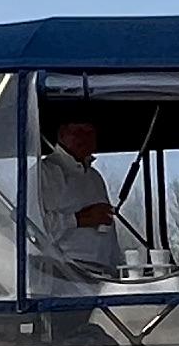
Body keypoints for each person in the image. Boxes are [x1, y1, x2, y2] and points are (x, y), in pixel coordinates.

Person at [35, 112, 123, 282]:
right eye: (78, 132)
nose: (85, 138)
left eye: (89, 133)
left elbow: (108, 232)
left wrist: (118, 269)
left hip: (101, 275)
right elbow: (31, 229)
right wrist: (79, 219)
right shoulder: (44, 173)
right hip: (60, 274)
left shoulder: (95, 177)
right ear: (61, 134)